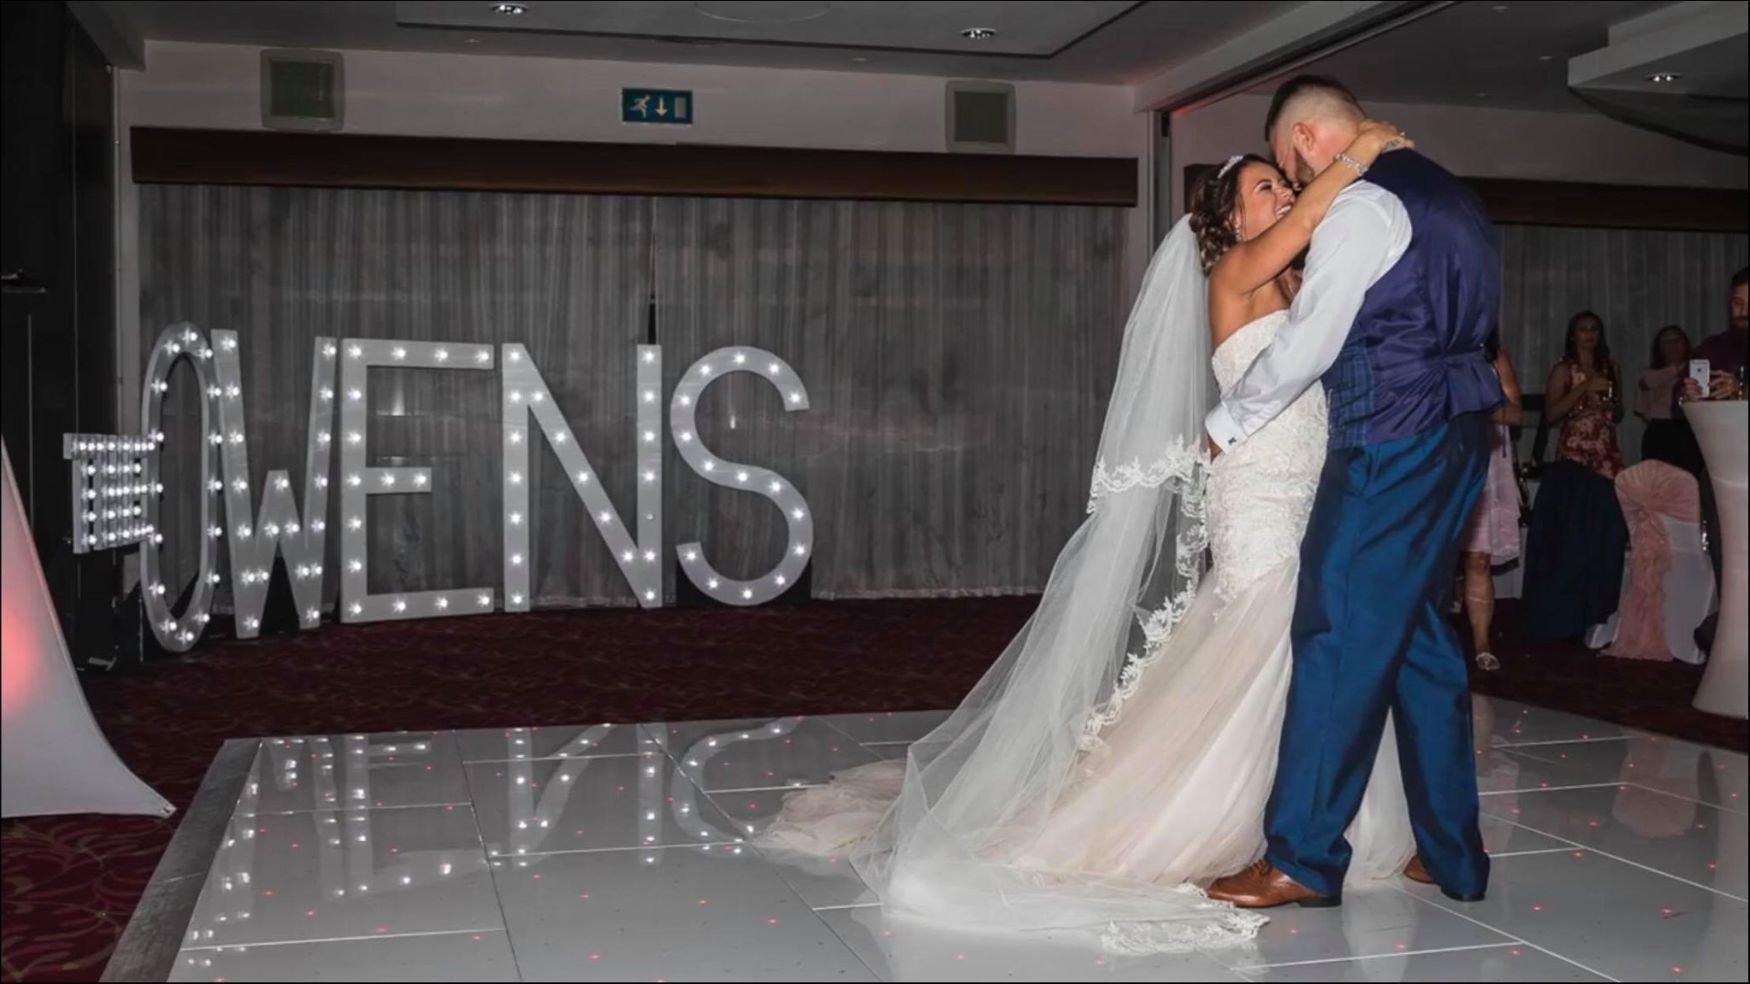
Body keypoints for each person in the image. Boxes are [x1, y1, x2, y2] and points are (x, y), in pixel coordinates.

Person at [753, 119, 1415, 952]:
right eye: (1265, 190)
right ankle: (1241, 821)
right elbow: (1314, 223)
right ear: (1233, 223)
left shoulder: (1297, 284)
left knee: (1311, 639)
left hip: (1305, 480)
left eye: (1282, 185)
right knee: (1267, 631)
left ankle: (1314, 816)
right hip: (1255, 491)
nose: (1283, 196)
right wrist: (1359, 150)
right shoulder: (1235, 275)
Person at [1204, 76, 1502, 910]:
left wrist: (1232, 419)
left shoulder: (1364, 205)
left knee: (1333, 628)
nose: (1297, 189)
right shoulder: (1455, 196)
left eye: (1288, 169)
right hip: (1461, 434)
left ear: (1302, 138)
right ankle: (1452, 853)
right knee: (1419, 639)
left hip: (1391, 436)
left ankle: (1300, 854)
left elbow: (1314, 334)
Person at [1462, 340, 1523, 672]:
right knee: (1434, 561)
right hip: (1440, 460)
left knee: (1478, 557)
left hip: (1486, 463)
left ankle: (1482, 644)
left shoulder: (1494, 355)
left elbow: (1515, 412)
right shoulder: (1429, 347)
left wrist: (1475, 405)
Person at [1545, 311, 1623, 480]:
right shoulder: (1563, 369)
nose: (1589, 333)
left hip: (1605, 445)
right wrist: (1584, 388)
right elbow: (1551, 414)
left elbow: (1618, 412)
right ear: (1573, 336)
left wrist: (1612, 407)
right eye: (1583, 329)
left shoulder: (1611, 367)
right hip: (1576, 445)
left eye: (1594, 329)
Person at [1636, 325, 1703, 475]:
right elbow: (1646, 386)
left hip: (1688, 429)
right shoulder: (1650, 373)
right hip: (1660, 430)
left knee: (1689, 477)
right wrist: (1677, 369)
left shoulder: (1697, 371)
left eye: (1677, 340)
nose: (1673, 346)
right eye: (1667, 342)